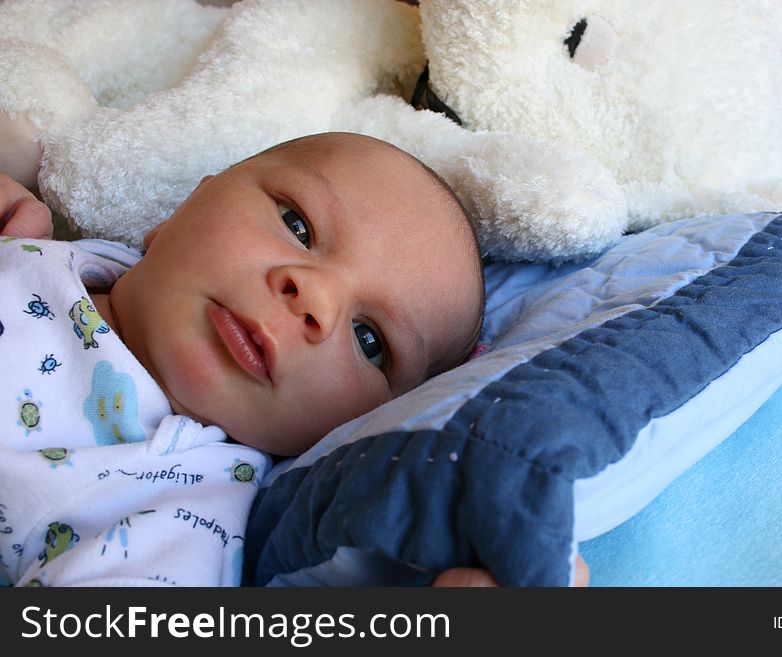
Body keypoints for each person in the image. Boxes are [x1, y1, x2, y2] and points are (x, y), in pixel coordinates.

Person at [0, 131, 588, 587]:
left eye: (369, 340)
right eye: (297, 224)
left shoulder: (174, 507)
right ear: (185, 204)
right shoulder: (43, 243)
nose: (315, 298)